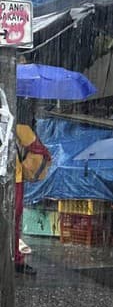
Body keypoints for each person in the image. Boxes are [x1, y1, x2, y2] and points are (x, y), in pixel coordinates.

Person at [14, 115, 51, 275]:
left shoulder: (16, 126)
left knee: (12, 221)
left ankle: (15, 257)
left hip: (12, 179)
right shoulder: (17, 126)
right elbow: (39, 150)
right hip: (12, 180)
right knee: (12, 221)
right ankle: (15, 258)